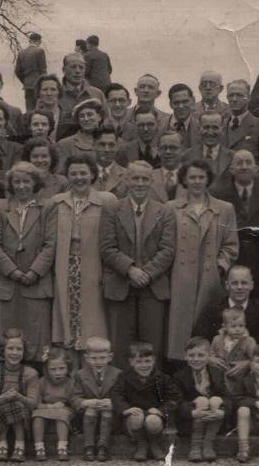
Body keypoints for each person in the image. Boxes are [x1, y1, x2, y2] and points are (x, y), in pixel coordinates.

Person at [100, 161, 176, 366]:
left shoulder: (165, 211)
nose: (140, 183)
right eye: (135, 178)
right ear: (126, 180)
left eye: (145, 179)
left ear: (152, 181)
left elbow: (168, 250)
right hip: (120, 285)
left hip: (153, 288)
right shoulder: (112, 209)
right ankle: (122, 392)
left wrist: (147, 274)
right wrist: (130, 270)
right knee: (120, 346)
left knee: (152, 344)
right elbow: (107, 247)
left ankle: (152, 393)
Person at [167, 159, 239, 362]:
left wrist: (218, 267)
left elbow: (231, 246)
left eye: (201, 177)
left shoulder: (224, 208)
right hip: (180, 277)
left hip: (209, 278)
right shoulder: (171, 207)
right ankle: (180, 368)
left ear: (208, 180)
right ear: (184, 180)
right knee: (179, 330)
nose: (197, 181)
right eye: (192, 177)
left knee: (204, 324)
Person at [51, 154, 118, 352]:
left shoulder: (107, 200)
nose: (79, 177)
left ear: (92, 175)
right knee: (67, 310)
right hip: (66, 264)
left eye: (83, 173)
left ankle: (94, 354)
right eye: (74, 173)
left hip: (94, 264)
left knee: (93, 314)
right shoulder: (57, 202)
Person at [210, 149, 259, 287]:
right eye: (239, 163)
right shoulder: (218, 195)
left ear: (256, 169)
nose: (244, 166)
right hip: (231, 260)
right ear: (231, 169)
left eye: (248, 162)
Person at [110, 342, 181, 461]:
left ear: (154, 360)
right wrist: (125, 408)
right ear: (131, 362)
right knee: (136, 417)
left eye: (147, 361)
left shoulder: (162, 378)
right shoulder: (124, 377)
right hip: (134, 415)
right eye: (139, 362)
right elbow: (116, 395)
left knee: (153, 421)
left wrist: (161, 410)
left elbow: (175, 397)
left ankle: (154, 443)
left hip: (154, 415)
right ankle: (141, 444)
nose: (144, 365)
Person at [174, 336, 230, 463]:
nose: (196, 359)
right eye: (191, 355)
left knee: (215, 400)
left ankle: (208, 445)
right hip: (191, 421)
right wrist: (193, 412)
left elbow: (229, 398)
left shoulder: (216, 373)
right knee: (201, 400)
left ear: (209, 356)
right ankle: (195, 446)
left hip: (214, 419)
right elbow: (176, 402)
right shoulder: (179, 376)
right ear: (185, 356)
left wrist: (223, 411)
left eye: (201, 355)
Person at [0, 328, 39, 463]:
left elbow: (33, 403)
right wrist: (4, 397)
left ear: (24, 351)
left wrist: (19, 397)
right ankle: (2, 443)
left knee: (17, 405)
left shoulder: (30, 373)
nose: (14, 353)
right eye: (10, 348)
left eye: (19, 349)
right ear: (2, 350)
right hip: (0, 412)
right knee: (5, 404)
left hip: (22, 414)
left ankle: (20, 444)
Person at [195, 265, 259, 347]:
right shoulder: (212, 309)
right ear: (227, 285)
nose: (239, 287)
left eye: (244, 283)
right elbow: (200, 341)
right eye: (234, 283)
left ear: (251, 285)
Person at [71, 336, 122, 462]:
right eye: (94, 358)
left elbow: (123, 396)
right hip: (86, 418)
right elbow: (74, 398)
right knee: (90, 410)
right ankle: (89, 447)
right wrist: (86, 402)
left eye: (103, 358)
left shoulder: (118, 374)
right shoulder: (80, 375)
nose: (98, 362)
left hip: (110, 417)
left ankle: (103, 447)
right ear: (87, 358)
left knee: (107, 410)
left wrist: (113, 403)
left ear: (110, 357)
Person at [31, 346, 77, 461]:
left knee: (61, 415)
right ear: (46, 369)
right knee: (37, 417)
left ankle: (62, 447)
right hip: (45, 409)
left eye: (62, 368)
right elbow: (35, 403)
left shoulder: (70, 383)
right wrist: (49, 406)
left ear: (68, 368)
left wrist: (64, 405)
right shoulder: (42, 382)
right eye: (53, 369)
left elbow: (74, 401)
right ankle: (39, 447)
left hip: (63, 410)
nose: (58, 373)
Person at [223, 79, 259, 164]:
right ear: (227, 98)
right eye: (231, 95)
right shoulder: (220, 126)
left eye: (239, 95)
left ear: (249, 98)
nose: (234, 99)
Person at [59, 53, 106, 128]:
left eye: (81, 67)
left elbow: (106, 121)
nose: (77, 71)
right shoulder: (56, 94)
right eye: (73, 67)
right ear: (64, 70)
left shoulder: (97, 94)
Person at [209, 307, 257, 377]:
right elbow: (211, 354)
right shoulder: (217, 339)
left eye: (241, 326)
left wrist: (247, 363)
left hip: (241, 377)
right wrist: (212, 359)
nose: (238, 329)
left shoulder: (249, 341)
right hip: (220, 376)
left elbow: (255, 359)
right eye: (233, 326)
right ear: (224, 326)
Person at [55, 97, 103, 166]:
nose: (86, 119)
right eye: (82, 116)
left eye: (90, 115)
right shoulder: (65, 144)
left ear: (99, 117)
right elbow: (60, 173)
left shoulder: (110, 140)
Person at [187, 111, 233, 179]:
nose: (210, 133)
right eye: (206, 127)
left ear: (222, 130)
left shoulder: (233, 157)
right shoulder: (187, 156)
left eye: (215, 127)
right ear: (199, 129)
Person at [14, 32, 47, 110]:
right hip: (38, 86)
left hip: (27, 85)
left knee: (29, 109)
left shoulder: (21, 53)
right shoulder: (40, 51)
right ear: (39, 41)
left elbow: (17, 71)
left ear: (30, 40)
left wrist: (25, 81)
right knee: (40, 109)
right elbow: (43, 70)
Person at [165, 83, 201, 147]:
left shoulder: (201, 127)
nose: (181, 106)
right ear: (170, 104)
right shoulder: (159, 126)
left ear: (193, 101)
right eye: (176, 103)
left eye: (185, 102)